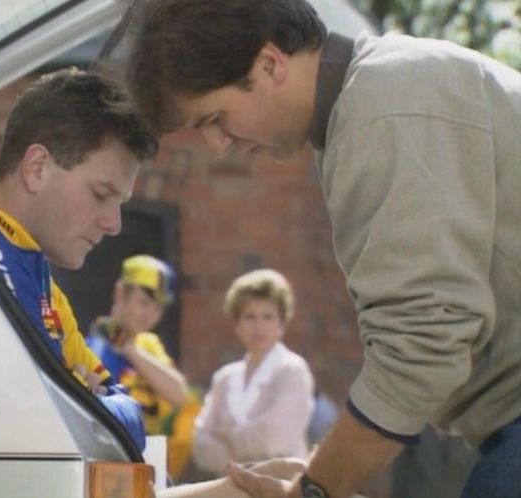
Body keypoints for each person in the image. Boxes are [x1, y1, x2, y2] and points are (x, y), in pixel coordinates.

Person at [124, 1, 521, 496]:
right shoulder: (372, 99)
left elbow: (422, 343)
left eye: (216, 118)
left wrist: (315, 487)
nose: (217, 145)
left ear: (269, 63)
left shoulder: (385, 106)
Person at [0, 68, 157, 452]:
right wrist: (85, 397)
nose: (114, 224)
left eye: (119, 203)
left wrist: (83, 398)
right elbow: (54, 427)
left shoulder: (41, 283)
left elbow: (127, 417)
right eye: (101, 194)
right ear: (37, 168)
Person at [86, 254, 199, 480]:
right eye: (144, 303)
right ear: (120, 293)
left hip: (150, 459)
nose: (150, 315)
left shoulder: (149, 345)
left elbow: (179, 394)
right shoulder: (92, 348)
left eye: (158, 308)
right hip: (111, 462)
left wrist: (130, 350)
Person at [192, 269, 314, 476]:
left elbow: (276, 436)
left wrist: (228, 435)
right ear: (237, 324)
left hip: (282, 486)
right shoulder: (224, 378)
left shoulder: (292, 370)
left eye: (268, 317)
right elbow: (200, 444)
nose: (259, 327)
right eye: (250, 317)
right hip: (231, 487)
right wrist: (246, 458)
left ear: (281, 323)